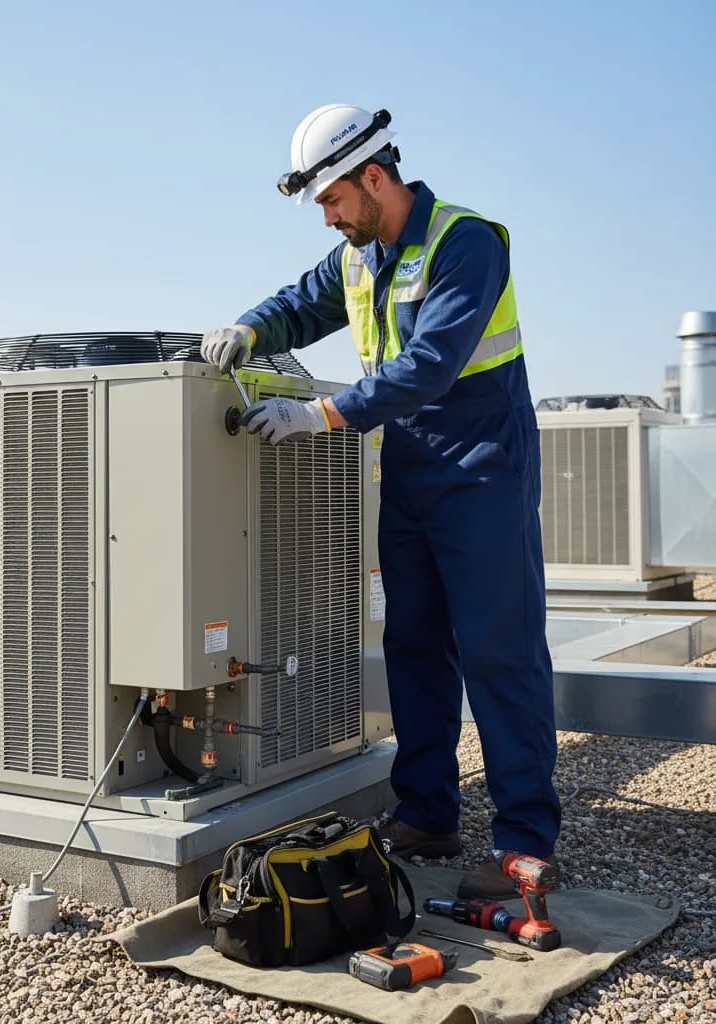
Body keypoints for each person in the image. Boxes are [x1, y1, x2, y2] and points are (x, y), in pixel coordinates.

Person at [201, 103, 560, 899]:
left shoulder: (467, 242)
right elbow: (301, 302)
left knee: (500, 649)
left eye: (331, 200)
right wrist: (249, 328)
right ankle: (428, 811)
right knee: (415, 644)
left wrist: (318, 415)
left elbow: (433, 362)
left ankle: (525, 838)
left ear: (374, 177)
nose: (327, 218)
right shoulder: (357, 257)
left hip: (483, 467)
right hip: (411, 468)